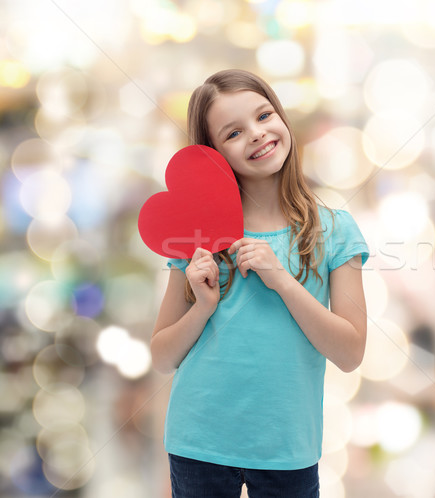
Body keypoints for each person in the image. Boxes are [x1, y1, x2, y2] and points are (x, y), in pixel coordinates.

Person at [150, 69, 369, 498]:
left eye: (264, 115)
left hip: (287, 448)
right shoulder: (196, 236)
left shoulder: (334, 230)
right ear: (213, 153)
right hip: (199, 443)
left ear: (282, 118)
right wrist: (203, 306)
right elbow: (161, 356)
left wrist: (282, 280)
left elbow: (351, 352)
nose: (256, 134)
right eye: (233, 133)